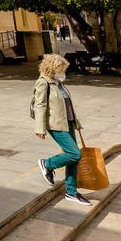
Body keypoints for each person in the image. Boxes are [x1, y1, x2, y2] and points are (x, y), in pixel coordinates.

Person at [32, 53, 91, 206]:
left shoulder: (59, 83)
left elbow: (67, 105)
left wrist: (76, 122)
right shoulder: (43, 83)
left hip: (68, 123)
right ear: (52, 68)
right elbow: (40, 105)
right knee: (74, 154)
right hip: (55, 124)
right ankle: (48, 164)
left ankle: (71, 192)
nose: (62, 71)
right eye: (60, 68)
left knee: (73, 158)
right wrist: (40, 128)